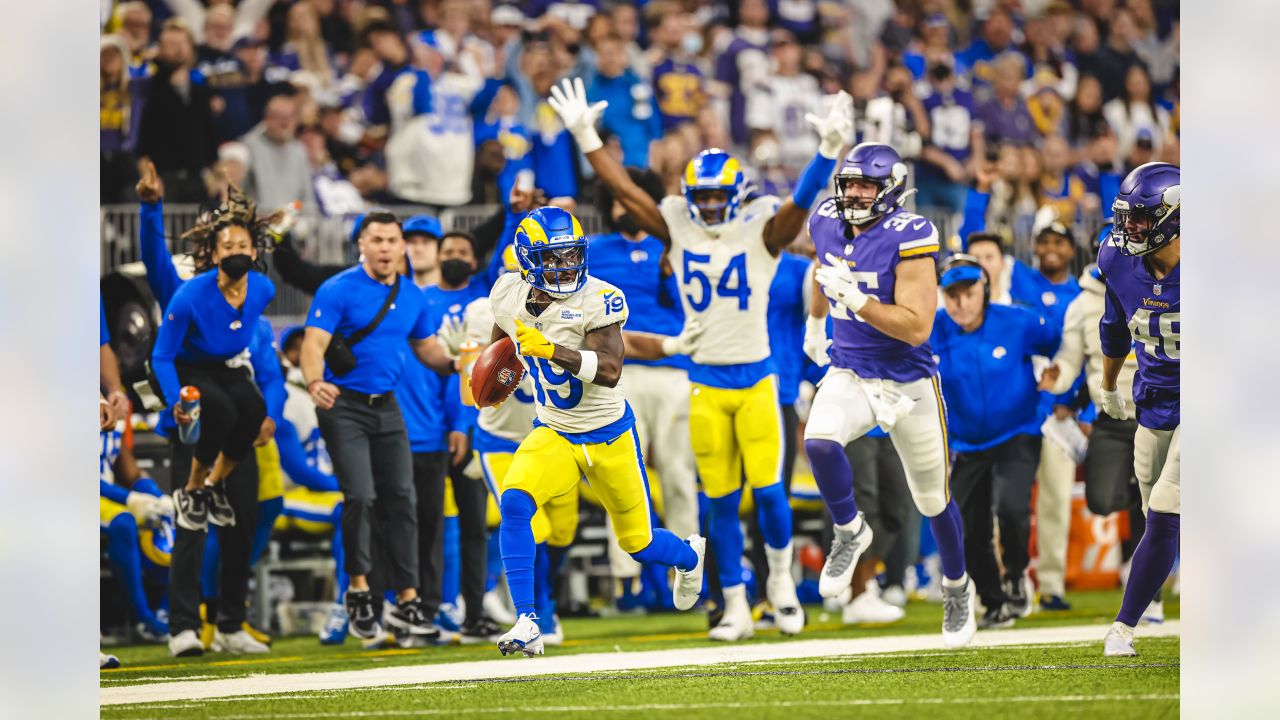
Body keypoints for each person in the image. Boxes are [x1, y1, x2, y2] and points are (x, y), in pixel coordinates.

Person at [550, 76, 854, 641]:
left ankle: (782, 586)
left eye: (719, 197)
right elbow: (628, 194)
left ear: (736, 196)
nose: (711, 206)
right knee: (718, 501)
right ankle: (735, 603)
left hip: (758, 380)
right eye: (704, 197)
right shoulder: (679, 229)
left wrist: (829, 152)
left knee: (768, 494)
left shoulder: (762, 233)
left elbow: (801, 201)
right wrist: (586, 137)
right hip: (705, 381)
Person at [484, 205, 708, 657]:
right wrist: (495, 373)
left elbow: (608, 370)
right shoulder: (506, 293)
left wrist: (552, 350)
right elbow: (501, 343)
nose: (565, 266)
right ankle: (529, 620)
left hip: (609, 436)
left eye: (570, 255)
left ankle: (688, 556)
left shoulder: (601, 297)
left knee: (638, 543)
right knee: (514, 503)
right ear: (526, 260)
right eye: (552, 258)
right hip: (555, 432)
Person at [801, 142, 977, 648]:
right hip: (852, 370)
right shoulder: (828, 219)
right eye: (849, 183)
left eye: (865, 185)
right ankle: (850, 531)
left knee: (932, 499)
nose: (854, 193)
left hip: (908, 381)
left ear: (891, 191)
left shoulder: (912, 233)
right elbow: (824, 269)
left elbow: (918, 327)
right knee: (819, 440)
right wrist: (817, 322)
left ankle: (956, 586)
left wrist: (856, 300)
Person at [299, 211, 446, 645]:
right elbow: (313, 345)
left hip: (388, 408)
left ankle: (408, 600)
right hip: (342, 406)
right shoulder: (337, 289)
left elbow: (429, 349)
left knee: (403, 499)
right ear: (361, 245)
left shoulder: (413, 296)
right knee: (361, 497)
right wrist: (314, 381)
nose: (385, 248)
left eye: (391, 240)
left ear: (402, 247)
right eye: (376, 240)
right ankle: (359, 590)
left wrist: (462, 364)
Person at [148, 185, 277, 656]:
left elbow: (250, 353)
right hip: (190, 379)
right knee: (191, 523)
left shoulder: (263, 288)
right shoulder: (189, 295)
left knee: (242, 516)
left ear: (254, 250)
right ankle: (181, 626)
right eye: (228, 248)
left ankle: (230, 623)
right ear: (212, 253)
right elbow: (161, 355)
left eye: (244, 246)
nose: (237, 253)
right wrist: (172, 402)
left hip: (227, 375)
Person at [1040, 230, 1163, 623]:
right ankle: (1133, 486)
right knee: (1101, 500)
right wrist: (1055, 380)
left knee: (1157, 504)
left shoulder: (1165, 289)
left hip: (1157, 412)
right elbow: (1069, 361)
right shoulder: (1082, 305)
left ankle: (1152, 593)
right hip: (1112, 417)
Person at [589, 168, 698, 611]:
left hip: (675, 369)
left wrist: (672, 273)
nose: (621, 208)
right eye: (614, 201)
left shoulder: (670, 250)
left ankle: (690, 565)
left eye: (629, 200)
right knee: (622, 475)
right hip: (622, 372)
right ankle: (626, 577)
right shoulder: (594, 251)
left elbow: (694, 305)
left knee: (678, 474)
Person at [932, 255, 1062, 628]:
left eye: (968, 292)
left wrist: (1055, 398)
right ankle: (993, 601)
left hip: (1017, 431)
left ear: (984, 290)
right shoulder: (931, 329)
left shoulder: (1018, 321)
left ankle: (1017, 574)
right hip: (965, 444)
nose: (960, 302)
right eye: (951, 294)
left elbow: (1064, 349)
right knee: (969, 528)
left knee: (1010, 507)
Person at [1099, 162, 1180, 657]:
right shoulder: (1116, 259)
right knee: (1158, 516)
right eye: (1125, 218)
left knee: (1170, 504)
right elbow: (1114, 325)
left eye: (1140, 219)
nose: (1128, 230)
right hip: (1154, 400)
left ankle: (1122, 628)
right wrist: (1110, 384)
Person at [243, 94, 314, 213]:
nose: (285, 123)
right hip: (260, 224)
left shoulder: (299, 151)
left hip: (294, 224)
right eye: (279, 117)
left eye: (290, 117)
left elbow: (307, 199)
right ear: (267, 119)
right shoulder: (248, 147)